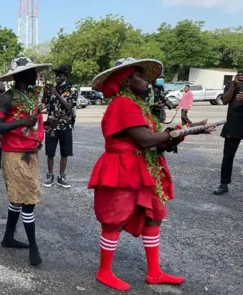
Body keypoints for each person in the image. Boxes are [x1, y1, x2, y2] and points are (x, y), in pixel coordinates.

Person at [88, 57, 211, 291]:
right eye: (140, 77)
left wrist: (183, 132)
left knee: (154, 214)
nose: (147, 81)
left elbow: (153, 140)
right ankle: (104, 271)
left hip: (143, 167)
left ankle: (154, 272)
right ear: (125, 82)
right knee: (114, 219)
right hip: (122, 169)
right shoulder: (123, 103)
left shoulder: (137, 104)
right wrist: (186, 130)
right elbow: (145, 140)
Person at [0, 56, 49, 266]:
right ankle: (34, 247)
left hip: (31, 152)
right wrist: (21, 121)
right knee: (28, 202)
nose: (36, 75)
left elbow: (32, 123)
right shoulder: (7, 98)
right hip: (14, 155)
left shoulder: (32, 95)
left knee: (17, 198)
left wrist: (44, 126)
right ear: (21, 75)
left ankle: (8, 238)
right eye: (32, 72)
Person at [42, 65, 77, 188]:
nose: (57, 77)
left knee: (65, 152)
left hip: (65, 125)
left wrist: (57, 94)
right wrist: (45, 94)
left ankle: (61, 176)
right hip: (51, 126)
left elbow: (68, 106)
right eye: (56, 75)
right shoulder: (52, 89)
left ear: (66, 76)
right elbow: (43, 104)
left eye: (60, 75)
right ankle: (50, 175)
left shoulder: (72, 89)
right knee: (50, 152)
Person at [214, 72, 243, 195]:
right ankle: (224, 184)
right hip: (234, 124)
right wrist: (233, 85)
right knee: (228, 156)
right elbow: (225, 100)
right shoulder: (231, 84)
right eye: (239, 74)